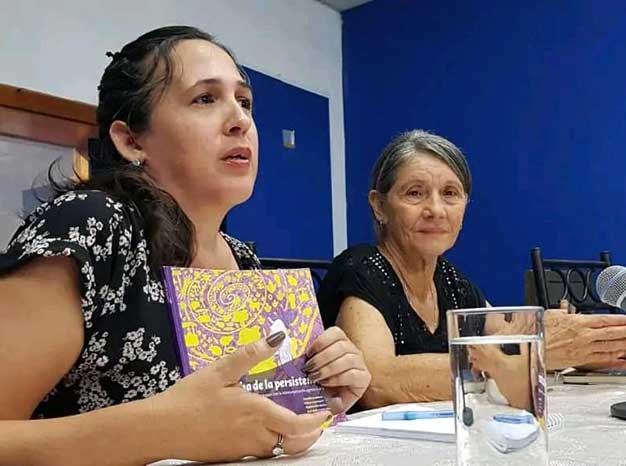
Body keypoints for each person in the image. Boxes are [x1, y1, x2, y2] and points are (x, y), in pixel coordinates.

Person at [0, 26, 370, 465]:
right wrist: (159, 431)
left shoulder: (244, 259)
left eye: (245, 101)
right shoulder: (91, 226)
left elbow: (243, 426)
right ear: (130, 140)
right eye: (205, 99)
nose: (241, 120)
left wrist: (320, 387)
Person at [317, 129, 626, 410]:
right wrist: (535, 351)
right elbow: (377, 380)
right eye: (415, 193)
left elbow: (510, 337)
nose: (435, 209)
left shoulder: (450, 279)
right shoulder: (361, 268)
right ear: (379, 205)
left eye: (450, 194)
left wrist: (578, 347)